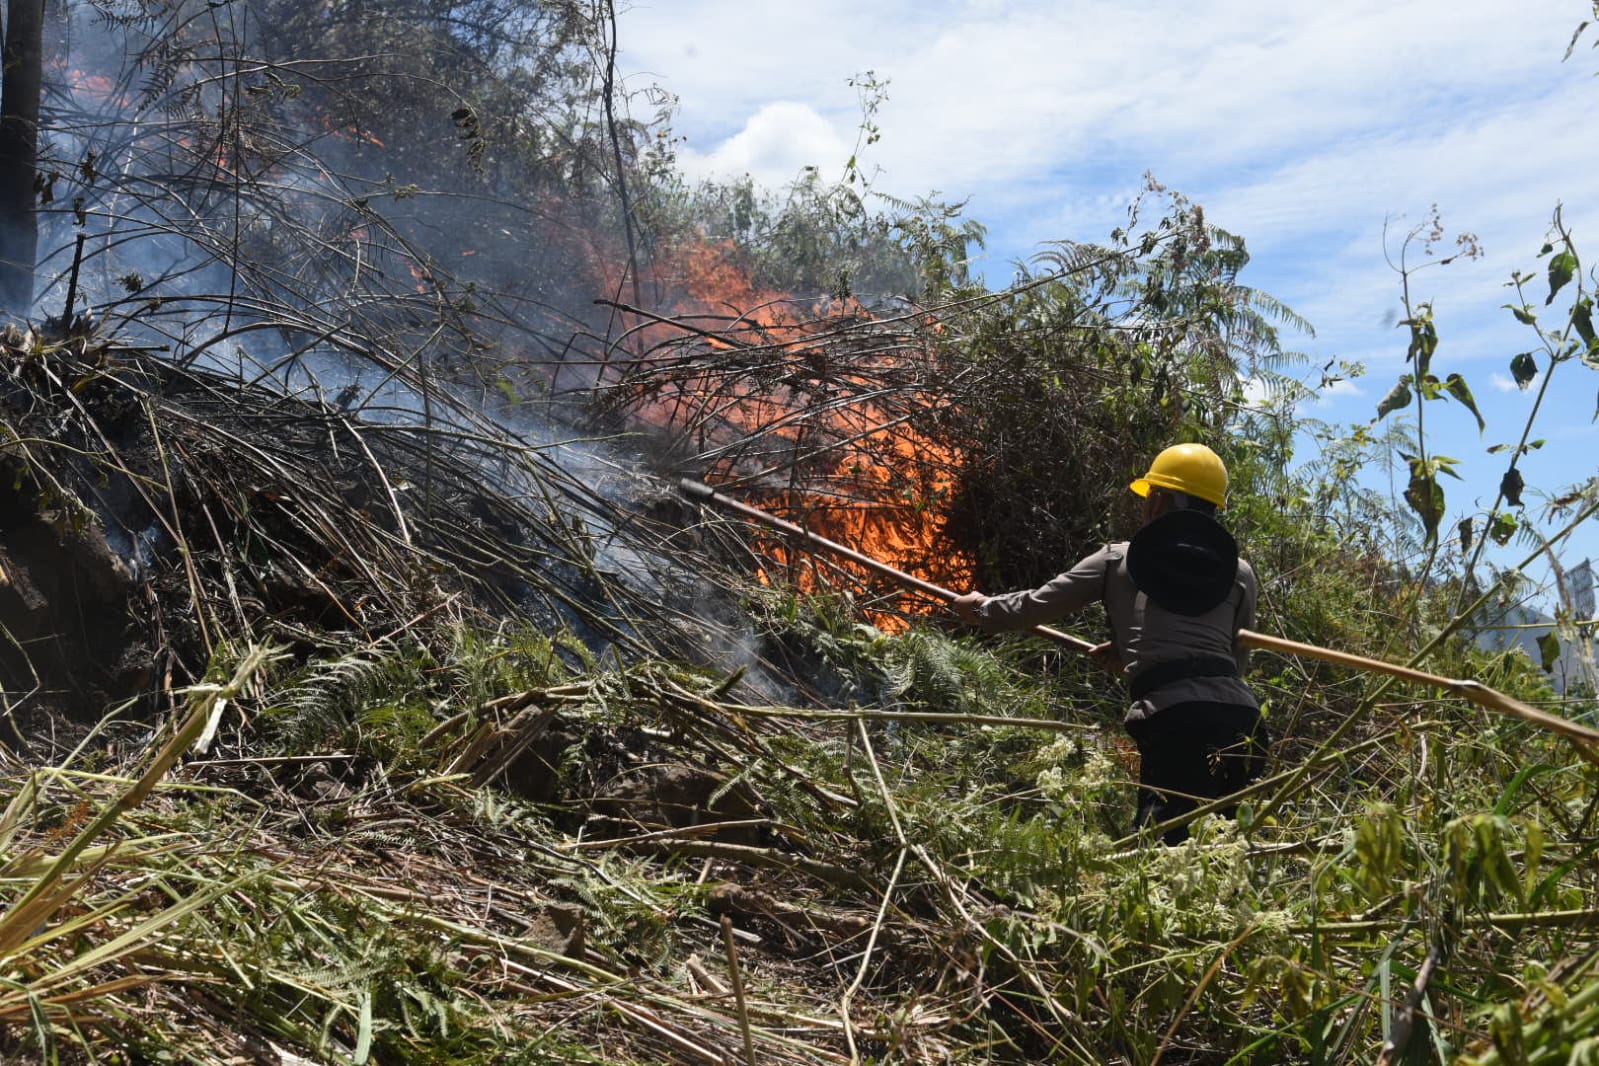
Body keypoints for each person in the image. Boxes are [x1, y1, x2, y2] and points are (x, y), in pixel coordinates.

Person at [950, 443, 1267, 844]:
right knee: (1226, 852)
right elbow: (1232, 659)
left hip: (1176, 719)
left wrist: (981, 608)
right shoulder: (1239, 573)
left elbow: (1035, 606)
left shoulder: (1119, 559)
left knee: (1159, 849)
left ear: (1157, 502)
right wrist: (1136, 656)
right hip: (1243, 720)